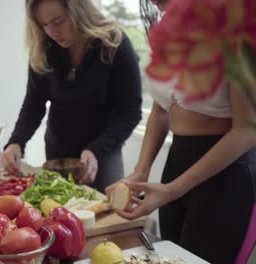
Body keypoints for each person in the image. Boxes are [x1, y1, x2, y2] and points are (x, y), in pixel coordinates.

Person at [105, 0, 256, 263]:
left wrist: (174, 190)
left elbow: (247, 131)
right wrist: (142, 170)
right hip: (176, 168)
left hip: (227, 178)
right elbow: (161, 109)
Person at [1, 0, 142, 192]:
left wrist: (96, 150)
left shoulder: (114, 43)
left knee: (109, 214)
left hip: (103, 153)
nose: (52, 32)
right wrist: (16, 142)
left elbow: (130, 113)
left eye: (58, 21)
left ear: (79, 11)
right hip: (57, 155)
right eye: (44, 24)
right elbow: (34, 103)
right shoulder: (45, 48)